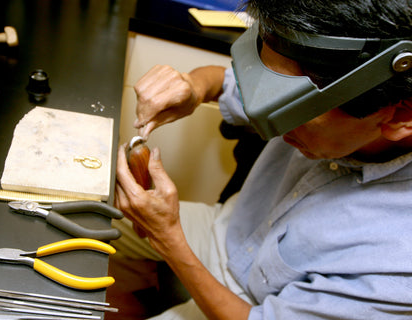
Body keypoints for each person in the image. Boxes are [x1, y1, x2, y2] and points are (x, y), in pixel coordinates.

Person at [111, 0, 412, 319]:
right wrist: (193, 87)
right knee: (85, 218)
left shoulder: (399, 260)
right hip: (227, 230)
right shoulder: (317, 81)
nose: (272, 126)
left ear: (401, 115)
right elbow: (220, 81)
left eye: (289, 114)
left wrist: (168, 239)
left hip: (249, 306)